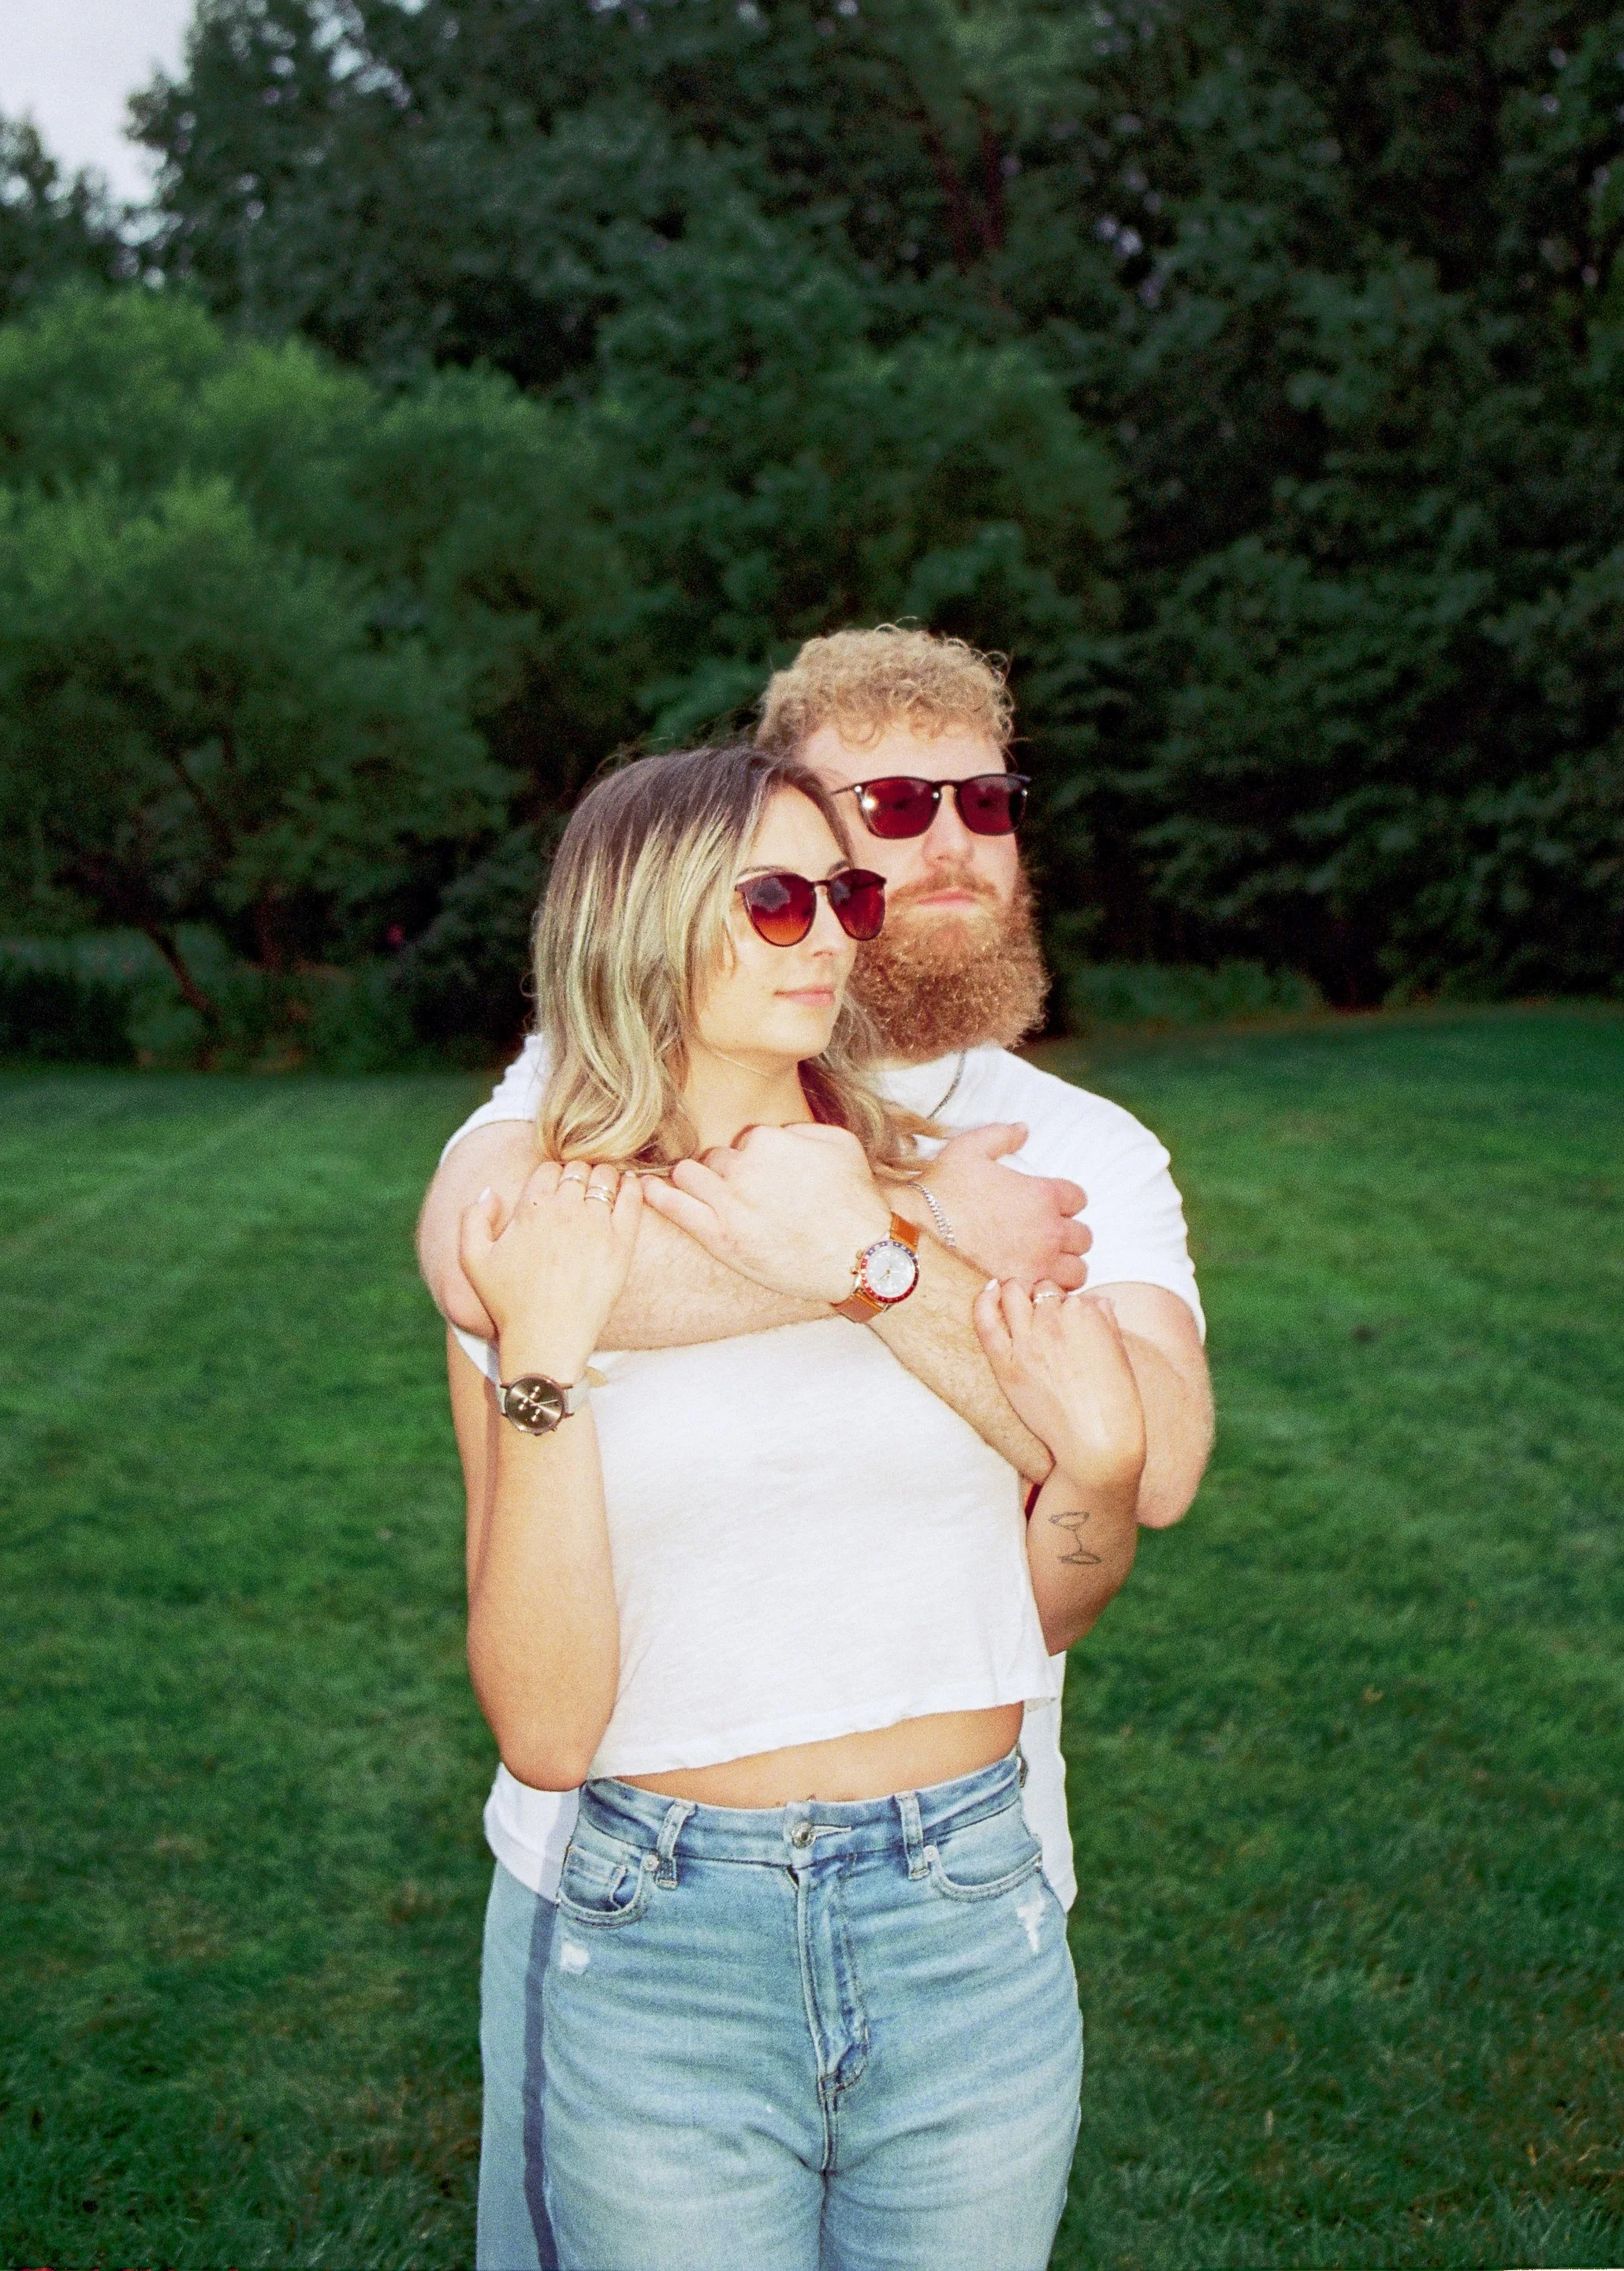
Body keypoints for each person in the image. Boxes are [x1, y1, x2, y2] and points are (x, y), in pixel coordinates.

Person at [419, 626, 1215, 2268]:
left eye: (835, 898)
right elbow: (546, 1708)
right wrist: (846, 1247)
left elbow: (1112, 1483)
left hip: (967, 1889)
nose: (844, 920)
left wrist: (870, 1252)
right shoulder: (551, 1178)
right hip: (653, 1910)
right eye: (785, 894)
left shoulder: (1015, 1162)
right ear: (647, 927)